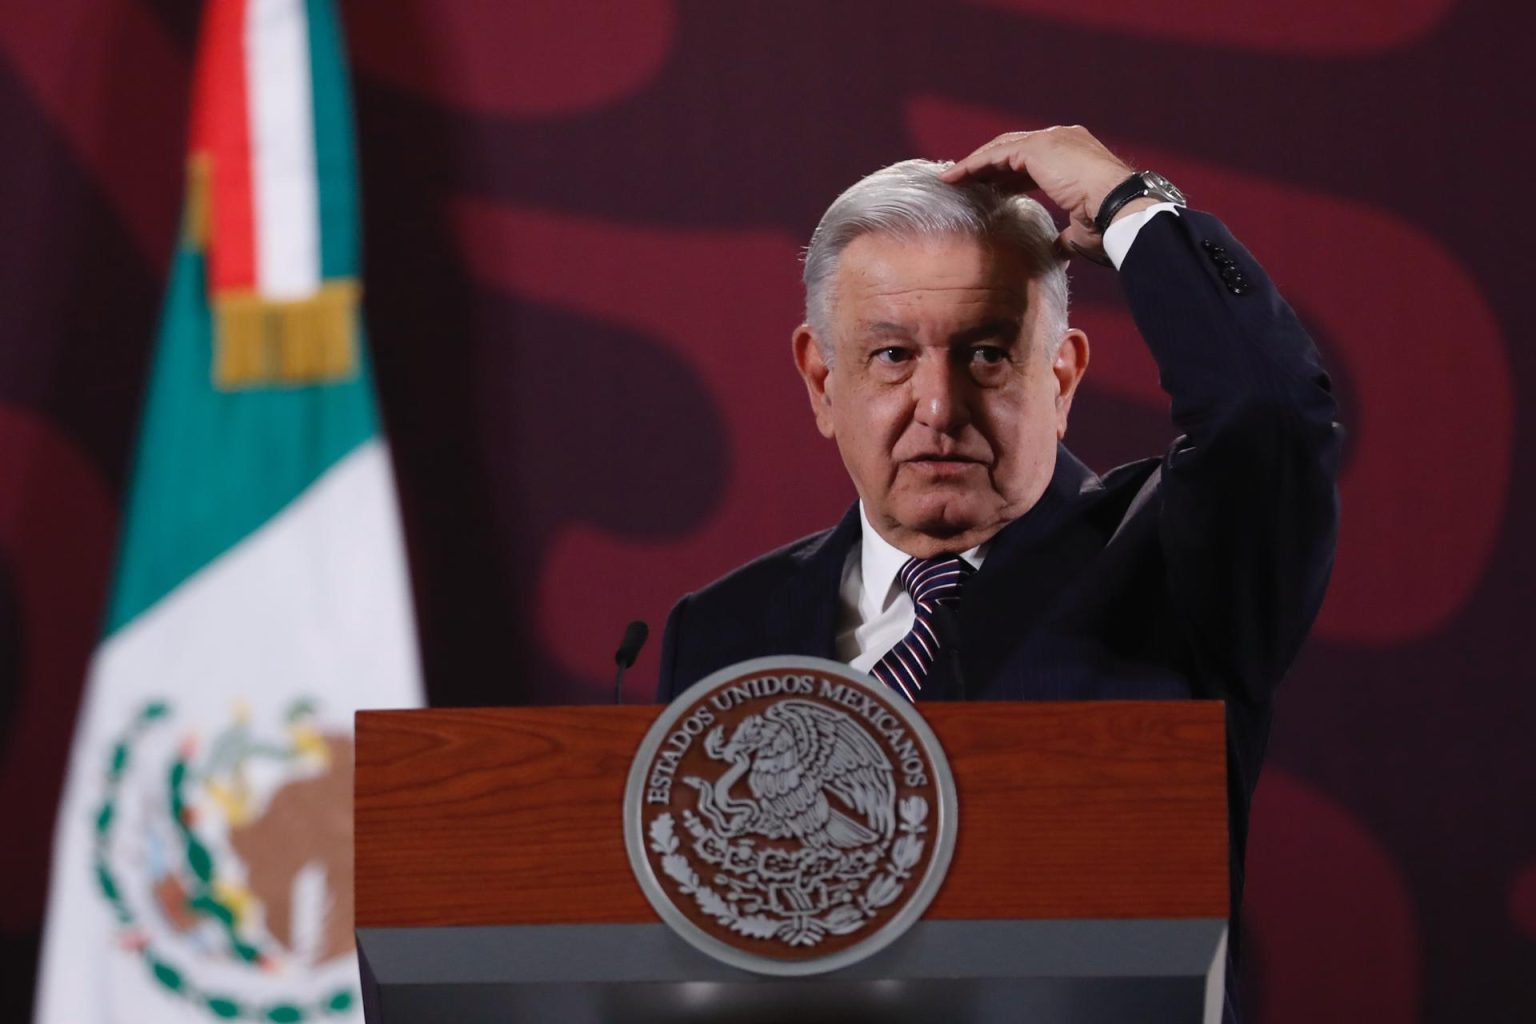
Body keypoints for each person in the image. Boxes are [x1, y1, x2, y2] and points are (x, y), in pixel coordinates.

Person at [656, 126, 1341, 1019]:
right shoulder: (722, 630)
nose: (939, 408)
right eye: (893, 356)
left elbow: (1271, 417)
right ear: (823, 382)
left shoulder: (1173, 567)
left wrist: (1131, 204)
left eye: (985, 353)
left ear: (1061, 377)